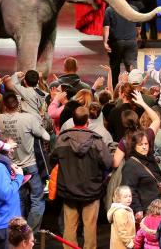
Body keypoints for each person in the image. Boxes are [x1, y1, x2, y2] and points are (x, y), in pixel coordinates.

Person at [51, 106, 112, 249]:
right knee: (90, 227)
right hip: (92, 190)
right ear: (88, 121)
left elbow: (53, 160)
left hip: (68, 190)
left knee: (69, 227)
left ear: (73, 120)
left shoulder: (62, 140)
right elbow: (108, 163)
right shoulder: (97, 141)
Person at [0, 92, 51, 228]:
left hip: (12, 167)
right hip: (31, 165)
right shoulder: (28, 118)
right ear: (18, 103)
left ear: (4, 104)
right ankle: (30, 233)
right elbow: (46, 137)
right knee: (37, 199)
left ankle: (19, 233)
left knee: (18, 200)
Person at [105, 0, 143, 82]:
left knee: (115, 68)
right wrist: (137, 37)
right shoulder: (134, 9)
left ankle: (114, 91)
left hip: (116, 43)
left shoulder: (109, 10)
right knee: (132, 69)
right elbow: (138, 27)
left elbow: (106, 27)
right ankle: (135, 91)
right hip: (131, 42)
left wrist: (105, 42)